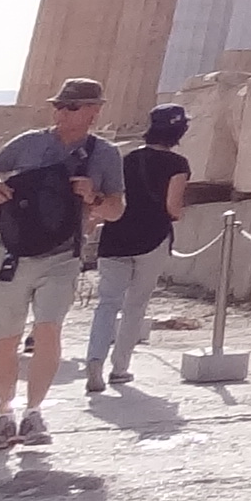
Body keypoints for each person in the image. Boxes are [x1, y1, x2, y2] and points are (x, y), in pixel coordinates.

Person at [0, 80, 123, 452]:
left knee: (48, 330)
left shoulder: (105, 154)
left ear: (94, 111)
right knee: (6, 337)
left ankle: (34, 413)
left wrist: (94, 197)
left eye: (71, 107)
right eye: (58, 106)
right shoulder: (29, 142)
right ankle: (4, 413)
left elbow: (116, 210)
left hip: (63, 255)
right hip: (13, 252)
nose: (61, 112)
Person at [83, 103, 191, 393]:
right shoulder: (178, 164)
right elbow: (173, 207)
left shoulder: (126, 159)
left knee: (107, 303)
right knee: (136, 305)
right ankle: (120, 368)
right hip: (152, 239)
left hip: (116, 236)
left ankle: (95, 360)